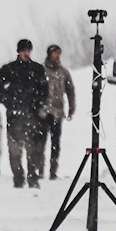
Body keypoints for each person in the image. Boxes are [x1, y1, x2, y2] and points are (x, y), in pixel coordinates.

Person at [0, 39, 49, 189]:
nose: (27, 53)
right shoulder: (9, 69)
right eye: (24, 50)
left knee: (33, 149)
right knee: (15, 150)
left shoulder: (37, 70)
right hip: (15, 115)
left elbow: (44, 91)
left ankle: (32, 177)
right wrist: (9, 102)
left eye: (29, 50)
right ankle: (18, 178)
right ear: (18, 51)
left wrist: (37, 104)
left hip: (32, 115)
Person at [40, 44, 77, 179]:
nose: (58, 56)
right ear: (50, 54)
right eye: (55, 53)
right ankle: (39, 170)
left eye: (59, 53)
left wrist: (71, 108)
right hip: (43, 112)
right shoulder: (41, 70)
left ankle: (53, 171)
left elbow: (70, 91)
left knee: (55, 143)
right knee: (41, 142)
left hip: (57, 112)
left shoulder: (63, 72)